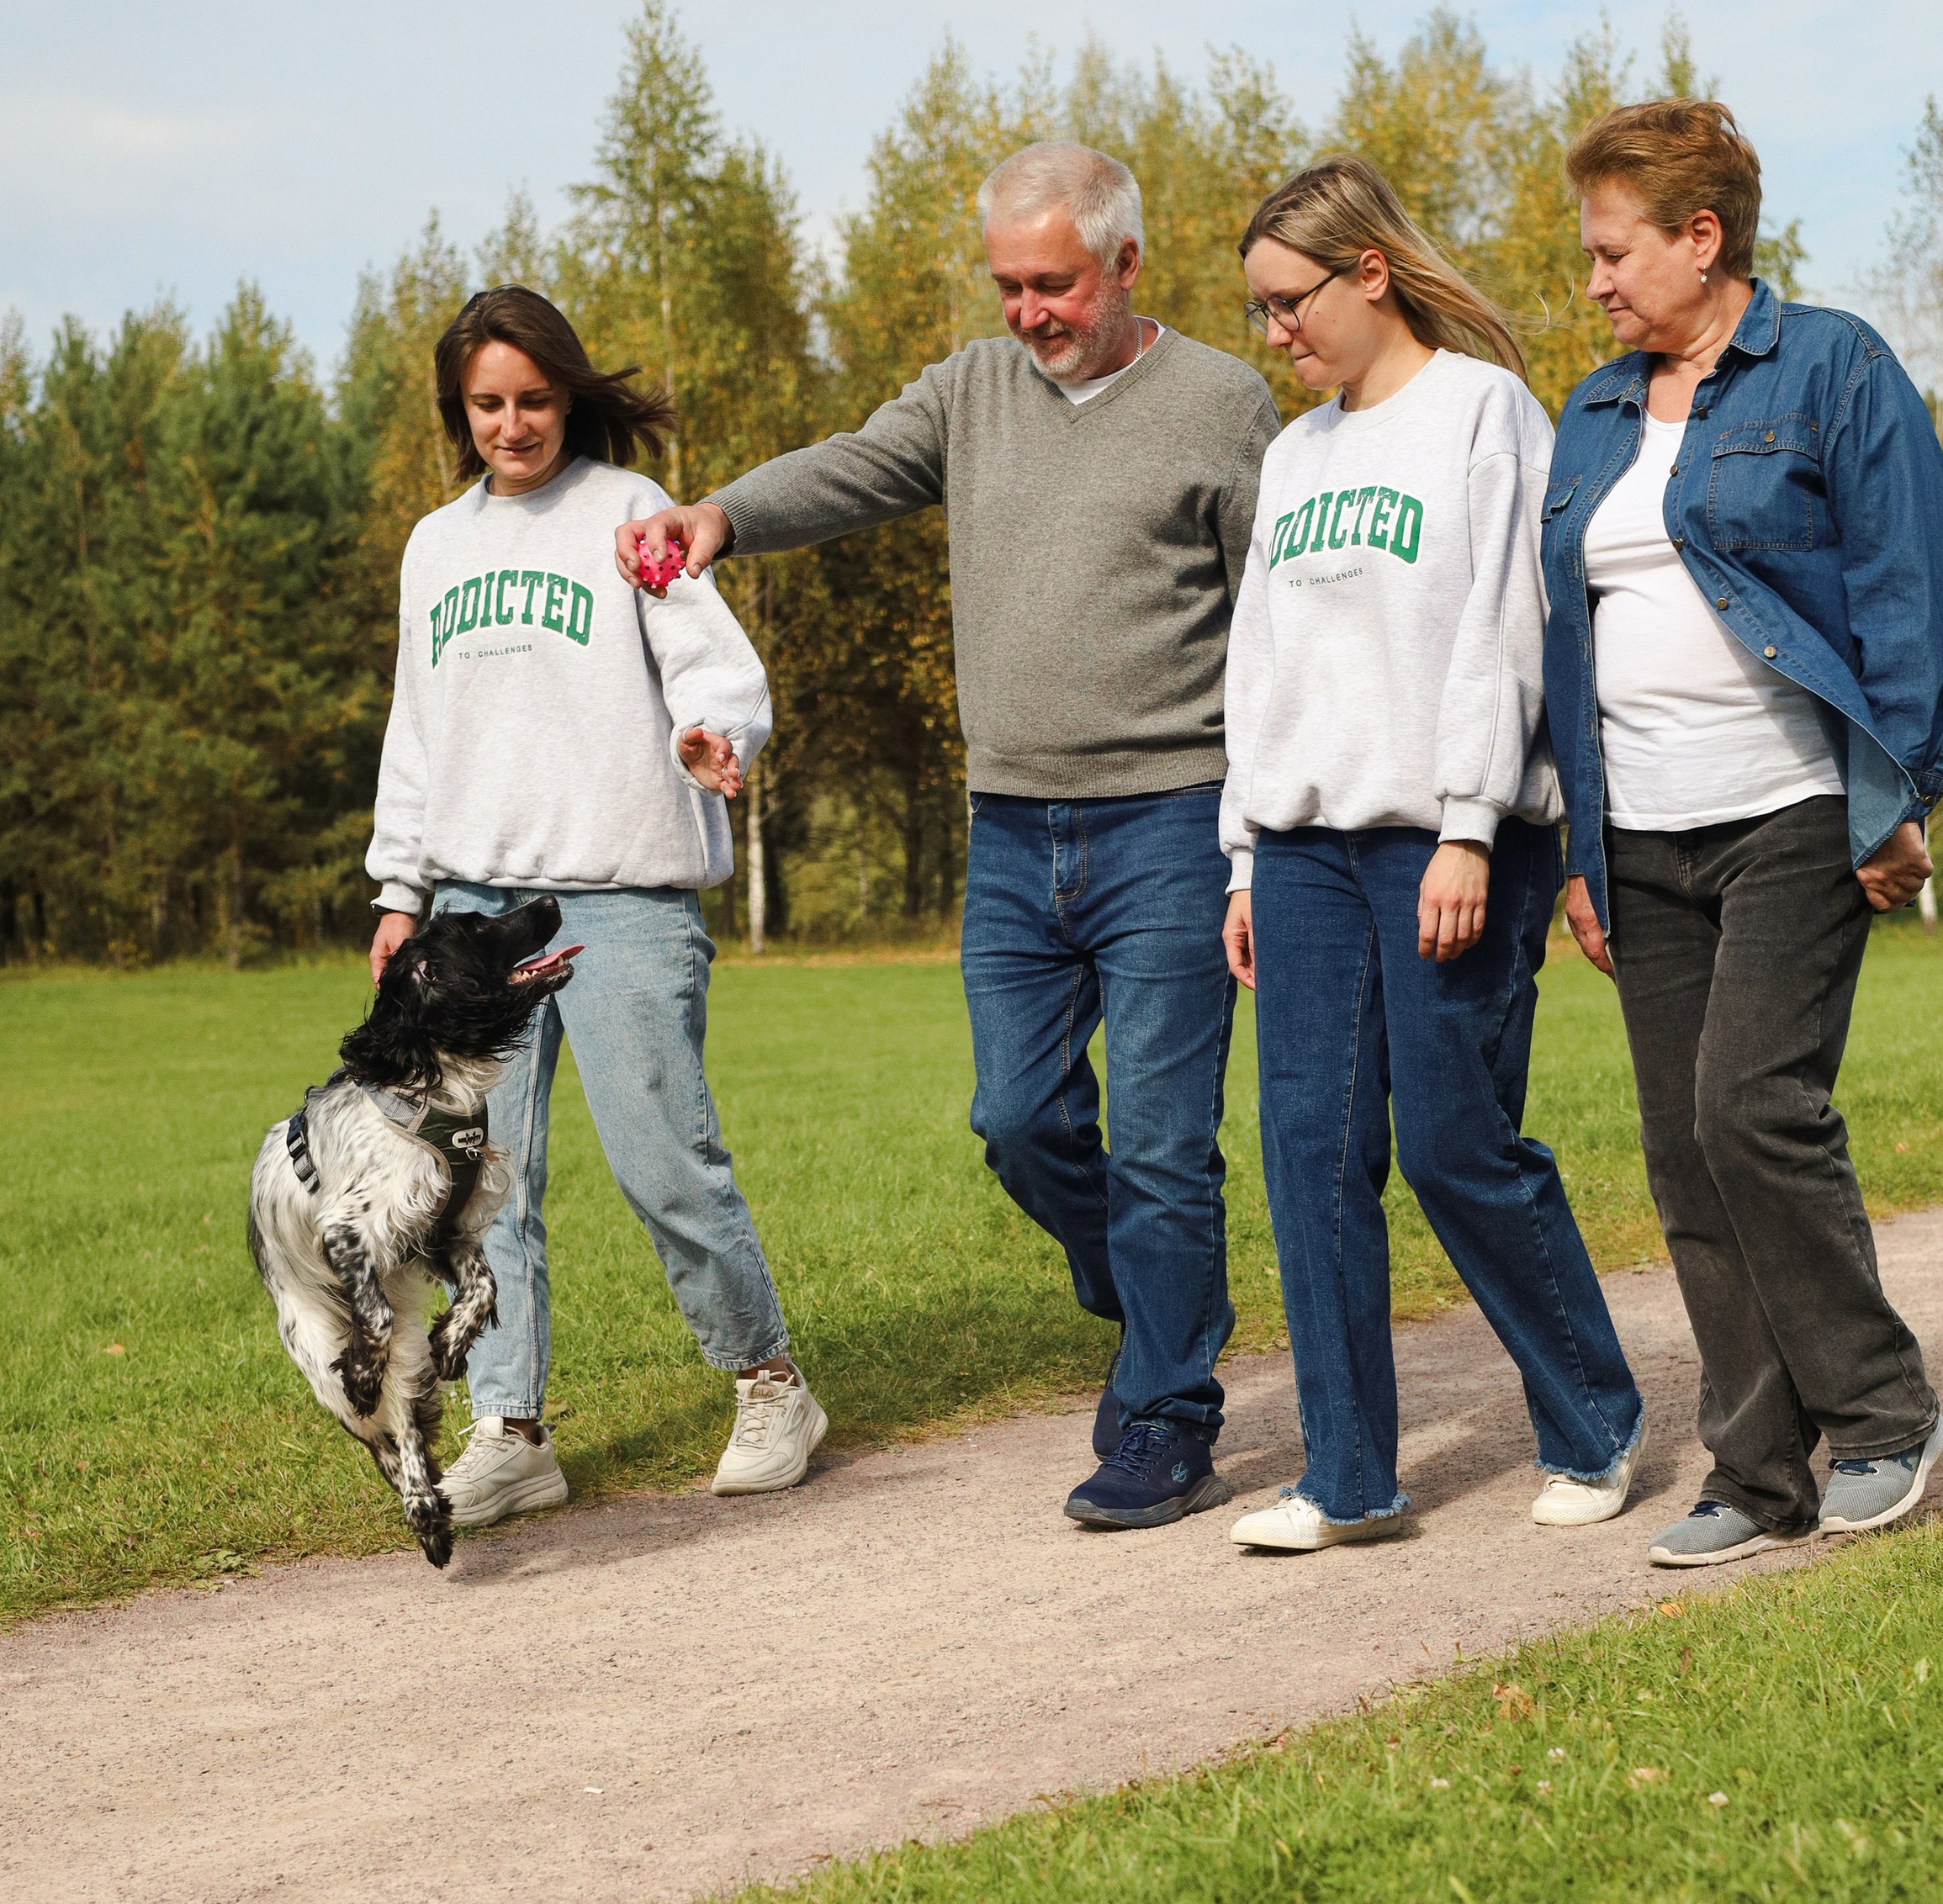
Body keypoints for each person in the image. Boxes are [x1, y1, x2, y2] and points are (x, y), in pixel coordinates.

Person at [618, 142, 1279, 1531]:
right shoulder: (974, 391)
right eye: (1008, 286)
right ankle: (1161, 1294)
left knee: (1164, 1146)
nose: (1029, 312)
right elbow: (855, 469)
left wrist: (1256, 838)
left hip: (1170, 816)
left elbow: (1274, 627)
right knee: (1016, 1120)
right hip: (1011, 826)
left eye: (1054, 284)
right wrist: (721, 515)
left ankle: (1166, 1413)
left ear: (1127, 265)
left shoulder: (1222, 403)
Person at [1539, 100, 1943, 1568]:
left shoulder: (1831, 366)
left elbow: (1906, 583)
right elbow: (1564, 645)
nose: (1594, 282)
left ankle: (1886, 1414)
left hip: (1792, 808)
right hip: (1640, 831)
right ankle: (1757, 1467)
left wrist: (1901, 792)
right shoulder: (1594, 412)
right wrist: (1577, 854)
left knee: (1751, 1110)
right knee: (1680, 1151)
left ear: (1699, 237)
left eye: (1613, 252)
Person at [1220, 157, 1645, 1553]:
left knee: (1459, 1143)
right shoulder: (1295, 456)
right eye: (1259, 311)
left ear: (1369, 275)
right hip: (1304, 853)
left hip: (1449, 844)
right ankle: (1348, 1476)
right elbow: (1261, 665)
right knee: (1310, 1153)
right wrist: (1242, 857)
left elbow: (1504, 628)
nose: (1274, 334)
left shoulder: (1483, 413)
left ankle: (1596, 1417)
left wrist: (1470, 823)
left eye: (1290, 304)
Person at [365, 285, 827, 1527]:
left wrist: (710, 736)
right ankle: (508, 1428)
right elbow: (418, 734)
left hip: (621, 898)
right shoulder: (435, 547)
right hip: (471, 910)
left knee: (664, 1163)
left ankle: (770, 1383)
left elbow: (717, 671)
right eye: (489, 405)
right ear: (459, 412)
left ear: (569, 395)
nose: (514, 425)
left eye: (535, 399)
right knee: (479, 1182)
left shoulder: (628, 513)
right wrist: (400, 893)